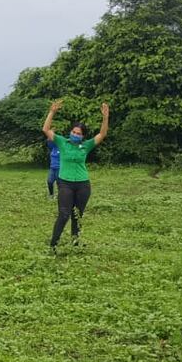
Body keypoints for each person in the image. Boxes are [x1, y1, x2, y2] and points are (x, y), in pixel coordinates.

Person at [41, 100, 110, 253]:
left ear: (83, 136)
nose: (75, 135)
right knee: (64, 213)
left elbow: (102, 134)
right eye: (73, 132)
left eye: (78, 134)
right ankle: (53, 244)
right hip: (65, 183)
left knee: (77, 215)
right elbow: (46, 129)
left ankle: (75, 242)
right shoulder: (62, 142)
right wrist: (52, 112)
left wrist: (105, 117)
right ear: (70, 132)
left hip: (83, 184)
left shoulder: (86, 145)